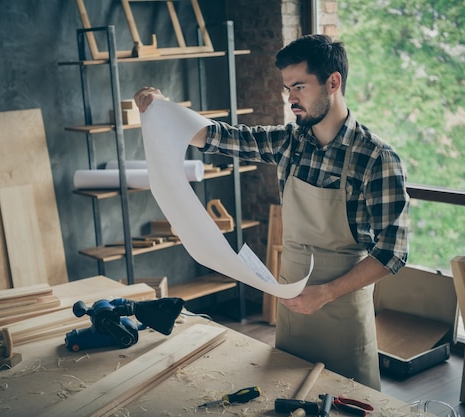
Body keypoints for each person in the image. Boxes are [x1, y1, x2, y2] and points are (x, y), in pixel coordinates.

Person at [134, 34, 409, 391]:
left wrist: (324, 294)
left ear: (333, 82)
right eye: (286, 88)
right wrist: (162, 109)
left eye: (299, 87)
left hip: (342, 312)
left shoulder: (376, 158)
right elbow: (219, 137)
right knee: (288, 394)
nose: (291, 98)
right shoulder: (289, 142)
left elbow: (393, 253)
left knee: (347, 400)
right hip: (292, 305)